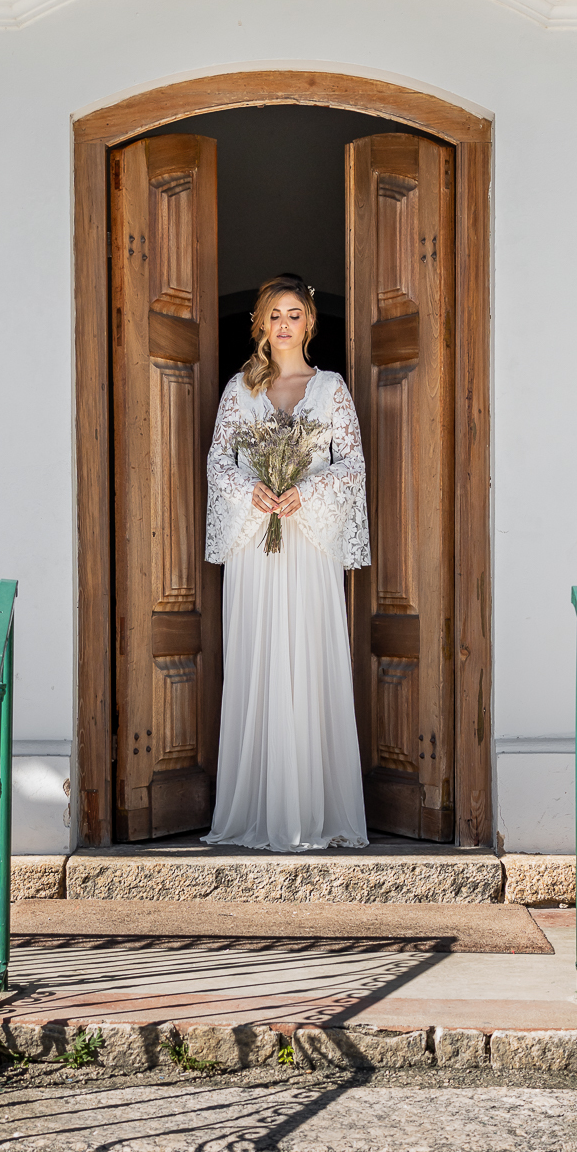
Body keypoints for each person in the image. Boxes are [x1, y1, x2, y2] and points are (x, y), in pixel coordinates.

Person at [203, 274, 371, 851]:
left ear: (310, 322)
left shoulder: (331, 390)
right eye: (273, 313)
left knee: (306, 655)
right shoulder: (238, 391)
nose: (283, 324)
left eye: (293, 313)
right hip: (256, 546)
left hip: (307, 544)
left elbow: (351, 466)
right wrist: (249, 492)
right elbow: (217, 463)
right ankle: (258, 807)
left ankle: (309, 811)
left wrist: (309, 491)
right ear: (260, 323)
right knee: (259, 656)